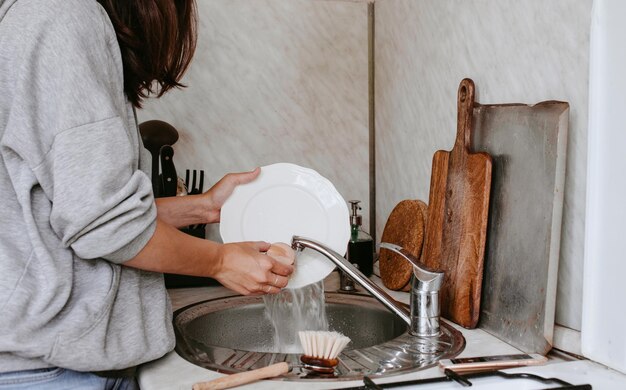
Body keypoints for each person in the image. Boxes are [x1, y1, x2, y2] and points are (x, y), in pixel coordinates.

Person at [0, 0, 294, 388]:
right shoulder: (63, 15)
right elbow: (103, 225)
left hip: (49, 360)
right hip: (51, 370)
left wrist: (203, 208)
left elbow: (77, 210)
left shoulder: (45, 15)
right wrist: (220, 261)